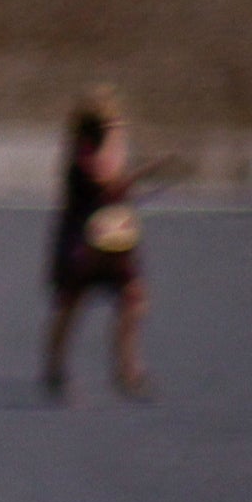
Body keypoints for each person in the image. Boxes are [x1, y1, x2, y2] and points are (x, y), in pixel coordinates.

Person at [43, 88, 149, 402]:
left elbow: (116, 178)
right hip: (84, 240)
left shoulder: (106, 142)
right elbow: (104, 174)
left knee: (133, 300)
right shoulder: (86, 144)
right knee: (70, 305)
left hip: (114, 239)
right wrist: (117, 141)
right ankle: (55, 369)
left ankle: (127, 370)